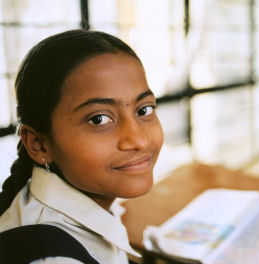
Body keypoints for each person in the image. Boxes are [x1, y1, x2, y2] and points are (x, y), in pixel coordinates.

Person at [0, 29, 164, 263]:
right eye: (98, 119)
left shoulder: (94, 205)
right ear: (40, 145)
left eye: (143, 110)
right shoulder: (51, 257)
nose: (139, 140)